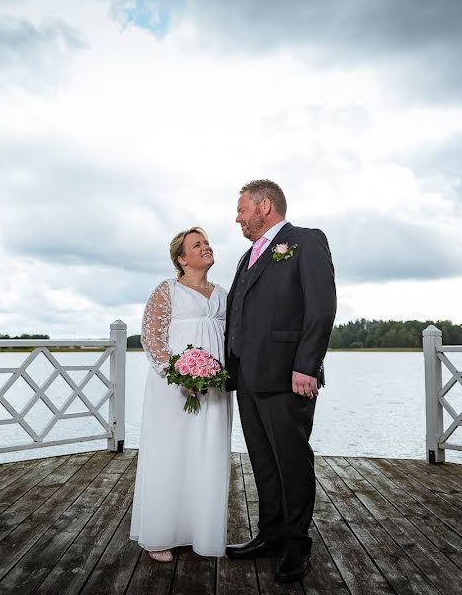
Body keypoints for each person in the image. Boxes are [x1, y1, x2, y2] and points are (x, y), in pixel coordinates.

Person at [224, 179, 337, 583]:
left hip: (289, 376)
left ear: (264, 206)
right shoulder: (245, 257)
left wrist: (307, 365)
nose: (237, 218)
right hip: (249, 378)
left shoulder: (306, 241)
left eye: (241, 210)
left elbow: (321, 309)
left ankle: (295, 544)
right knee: (263, 462)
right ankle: (270, 534)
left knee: (291, 462)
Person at [129, 227, 233, 562]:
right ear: (181, 258)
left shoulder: (222, 294)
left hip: (214, 389)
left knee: (207, 453)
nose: (206, 247)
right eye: (197, 245)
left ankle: (199, 531)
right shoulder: (167, 290)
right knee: (170, 453)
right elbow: (152, 337)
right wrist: (177, 375)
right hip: (172, 388)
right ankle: (159, 535)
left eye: (207, 242)